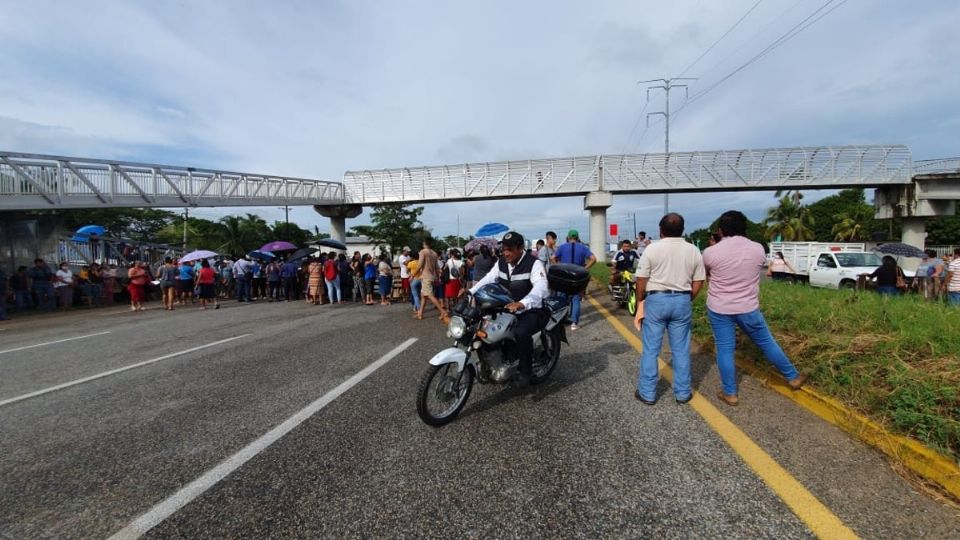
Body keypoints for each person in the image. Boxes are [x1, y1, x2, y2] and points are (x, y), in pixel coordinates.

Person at [703, 211, 808, 407]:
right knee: (767, 342)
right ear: (745, 228)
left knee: (725, 349)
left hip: (719, 307)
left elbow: (707, 273)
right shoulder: (758, 249)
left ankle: (730, 393)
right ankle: (792, 376)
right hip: (748, 306)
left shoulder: (710, 252)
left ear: (720, 230)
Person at [632, 213, 705, 405]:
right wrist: (687, 298)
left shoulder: (652, 249)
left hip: (656, 300)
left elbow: (641, 279)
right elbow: (699, 281)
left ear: (660, 230)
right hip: (681, 300)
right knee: (681, 350)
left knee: (651, 349)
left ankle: (647, 393)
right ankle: (682, 393)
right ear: (682, 229)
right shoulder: (693, 250)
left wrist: (640, 301)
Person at [465, 231, 549, 387]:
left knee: (520, 332)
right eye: (504, 249)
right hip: (507, 308)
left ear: (521, 248)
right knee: (483, 324)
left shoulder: (533, 263)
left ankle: (525, 372)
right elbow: (489, 278)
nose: (506, 253)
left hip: (530, 310)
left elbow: (541, 287)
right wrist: (470, 291)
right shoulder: (501, 262)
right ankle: (494, 360)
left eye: (510, 249)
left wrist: (523, 303)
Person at [551, 229, 596, 330]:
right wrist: (585, 268)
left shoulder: (562, 247)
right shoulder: (583, 248)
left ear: (568, 237)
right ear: (577, 237)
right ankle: (574, 323)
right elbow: (594, 259)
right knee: (576, 299)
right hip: (577, 276)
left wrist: (558, 267)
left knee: (562, 298)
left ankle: (560, 320)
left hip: (564, 275)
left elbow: (553, 258)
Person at [417, 238, 448, 322]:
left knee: (430, 295)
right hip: (432, 276)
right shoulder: (434, 253)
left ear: (424, 244)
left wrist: (413, 274)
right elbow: (437, 268)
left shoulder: (423, 252)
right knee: (423, 296)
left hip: (425, 276)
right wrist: (438, 277)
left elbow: (419, 265)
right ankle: (420, 313)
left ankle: (443, 311)